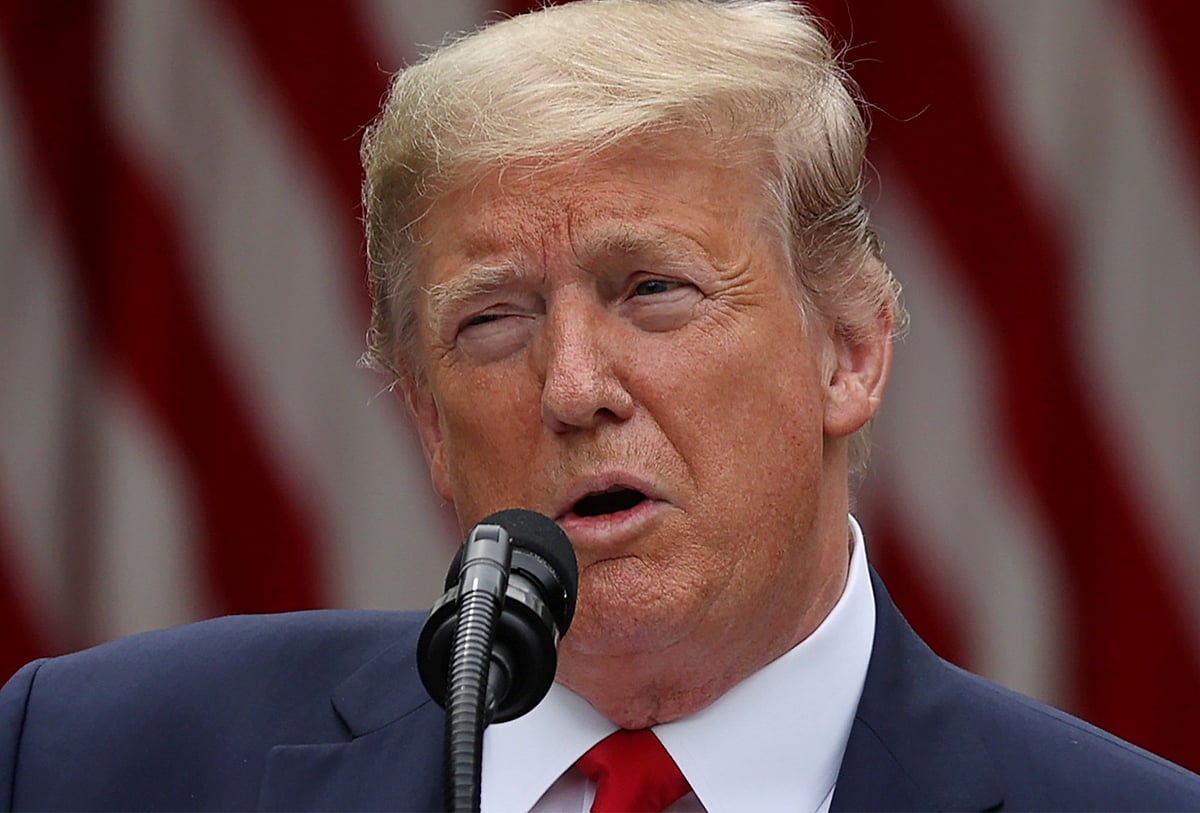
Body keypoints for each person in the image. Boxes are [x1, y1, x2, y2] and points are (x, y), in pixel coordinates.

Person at [2, 1, 1198, 810]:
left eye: (654, 291)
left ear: (849, 354)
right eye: (493, 321)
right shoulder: (93, 760)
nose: (573, 388)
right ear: (425, 419)